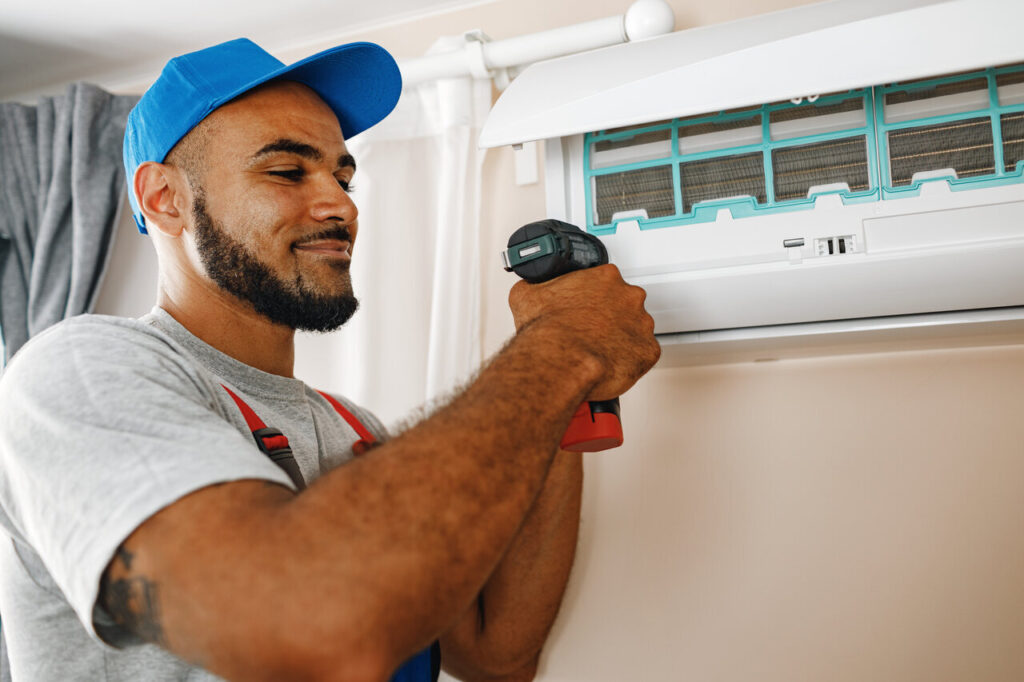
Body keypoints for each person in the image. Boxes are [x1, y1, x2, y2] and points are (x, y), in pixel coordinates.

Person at [0, 38, 659, 681]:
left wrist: (570, 375)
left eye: (343, 176)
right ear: (163, 198)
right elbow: (308, 632)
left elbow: (497, 656)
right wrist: (558, 350)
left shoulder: (354, 431)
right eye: (287, 171)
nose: (340, 205)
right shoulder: (79, 373)